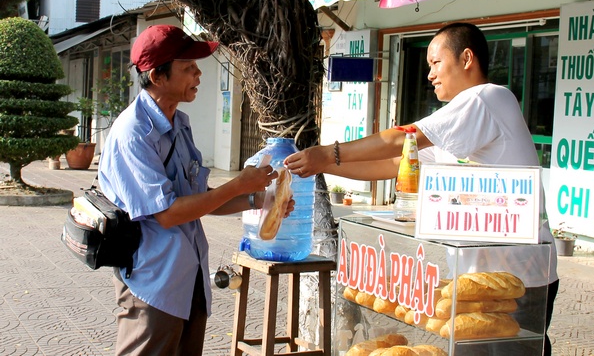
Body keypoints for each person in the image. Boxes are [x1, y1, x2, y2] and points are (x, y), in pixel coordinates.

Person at [285, 22, 559, 355]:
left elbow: (404, 137)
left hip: (519, 277)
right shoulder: (461, 120)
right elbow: (396, 164)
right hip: (477, 276)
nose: (430, 74)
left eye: (436, 62)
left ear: (467, 58)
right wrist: (323, 164)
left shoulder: (487, 98)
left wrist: (331, 152)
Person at [98, 25, 293, 355]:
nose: (198, 73)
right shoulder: (133, 133)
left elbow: (200, 199)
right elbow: (168, 214)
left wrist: (258, 199)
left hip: (189, 276)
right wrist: (238, 184)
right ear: (158, 77)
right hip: (152, 283)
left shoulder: (179, 124)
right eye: (188, 67)